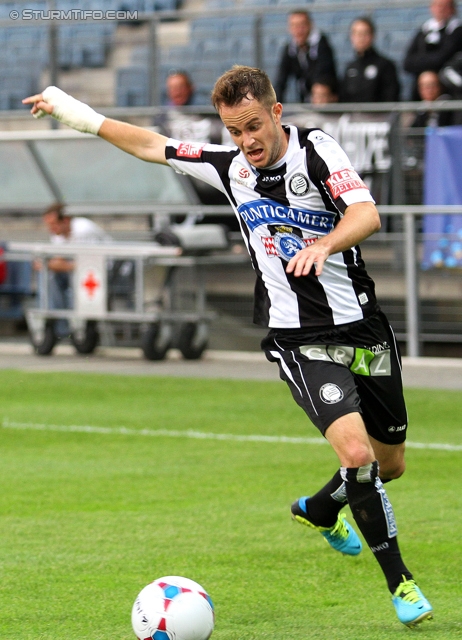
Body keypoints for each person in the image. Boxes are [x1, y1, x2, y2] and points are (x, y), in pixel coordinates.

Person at [23, 66, 433, 628]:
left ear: (276, 112)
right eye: (234, 130)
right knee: (357, 457)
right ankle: (401, 583)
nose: (247, 141)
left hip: (364, 331)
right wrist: (74, 112)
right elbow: (150, 143)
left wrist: (325, 244)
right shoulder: (230, 168)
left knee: (391, 465)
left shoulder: (316, 151)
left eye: (254, 126)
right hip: (298, 339)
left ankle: (319, 509)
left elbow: (367, 214)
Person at [36, 203, 111, 336]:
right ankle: (57, 321)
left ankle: (75, 326)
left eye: (54, 224)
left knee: (76, 277)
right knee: (48, 276)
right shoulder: (58, 234)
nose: (51, 229)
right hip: (80, 271)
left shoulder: (83, 229)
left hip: (107, 272)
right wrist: (50, 265)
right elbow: (59, 261)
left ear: (65, 220)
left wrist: (50, 264)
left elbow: (89, 264)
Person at [274, 10, 336, 103]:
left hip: (325, 103)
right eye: (294, 26)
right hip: (304, 101)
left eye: (302, 25)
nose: (298, 30)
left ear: (310, 25)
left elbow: (323, 74)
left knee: (320, 89)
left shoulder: (323, 45)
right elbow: (281, 80)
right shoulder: (290, 48)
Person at [404, 0, 462, 100]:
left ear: (453, 9)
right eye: (437, 5)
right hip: (422, 89)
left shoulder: (457, 31)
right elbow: (408, 63)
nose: (440, 9)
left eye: (445, 6)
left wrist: (424, 62)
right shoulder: (424, 30)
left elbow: (443, 57)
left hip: (449, 89)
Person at [339, 17, 400, 103]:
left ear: (372, 36)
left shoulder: (385, 66)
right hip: (353, 115)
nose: (360, 38)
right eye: (356, 33)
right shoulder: (350, 67)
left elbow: (391, 96)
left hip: (379, 115)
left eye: (364, 33)